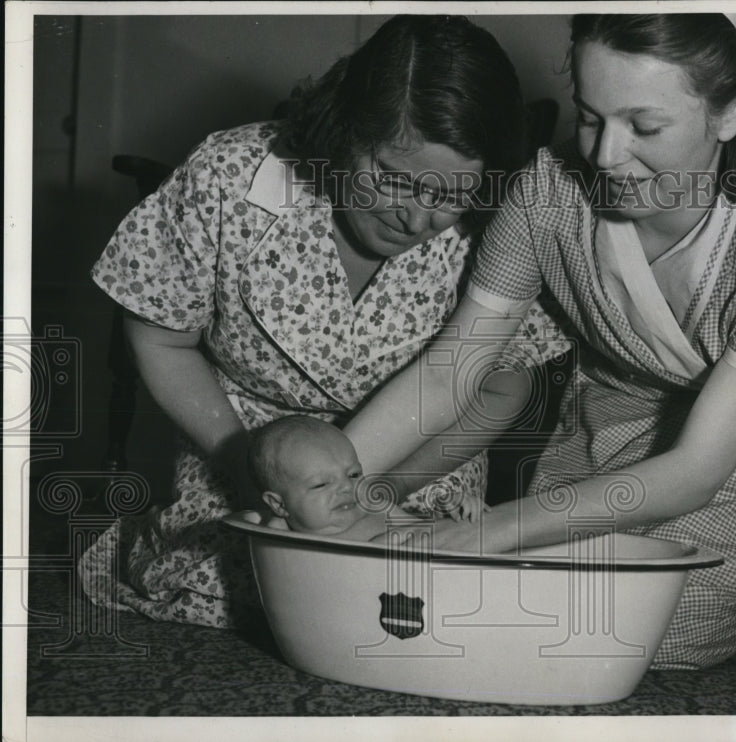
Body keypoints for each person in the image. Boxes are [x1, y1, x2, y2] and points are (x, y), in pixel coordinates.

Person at [343, 13, 736, 669]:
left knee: (640, 632)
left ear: (734, 112)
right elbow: (452, 369)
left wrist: (490, 530)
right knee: (540, 598)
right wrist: (336, 484)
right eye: (590, 118)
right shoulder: (545, 192)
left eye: (644, 127)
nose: (603, 155)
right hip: (625, 394)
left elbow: (693, 472)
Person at [78, 15, 561, 629]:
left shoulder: (501, 217)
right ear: (344, 130)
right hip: (247, 451)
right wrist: (251, 469)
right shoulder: (231, 175)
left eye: (449, 197)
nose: (416, 221)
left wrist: (386, 489)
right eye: (394, 180)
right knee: (233, 585)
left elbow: (502, 385)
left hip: (423, 464)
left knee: (424, 599)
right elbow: (160, 340)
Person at [249, 415, 480, 537]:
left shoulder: (377, 509)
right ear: (279, 504)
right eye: (321, 484)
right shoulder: (279, 534)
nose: (346, 487)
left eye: (353, 474)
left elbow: (431, 533)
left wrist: (453, 512)